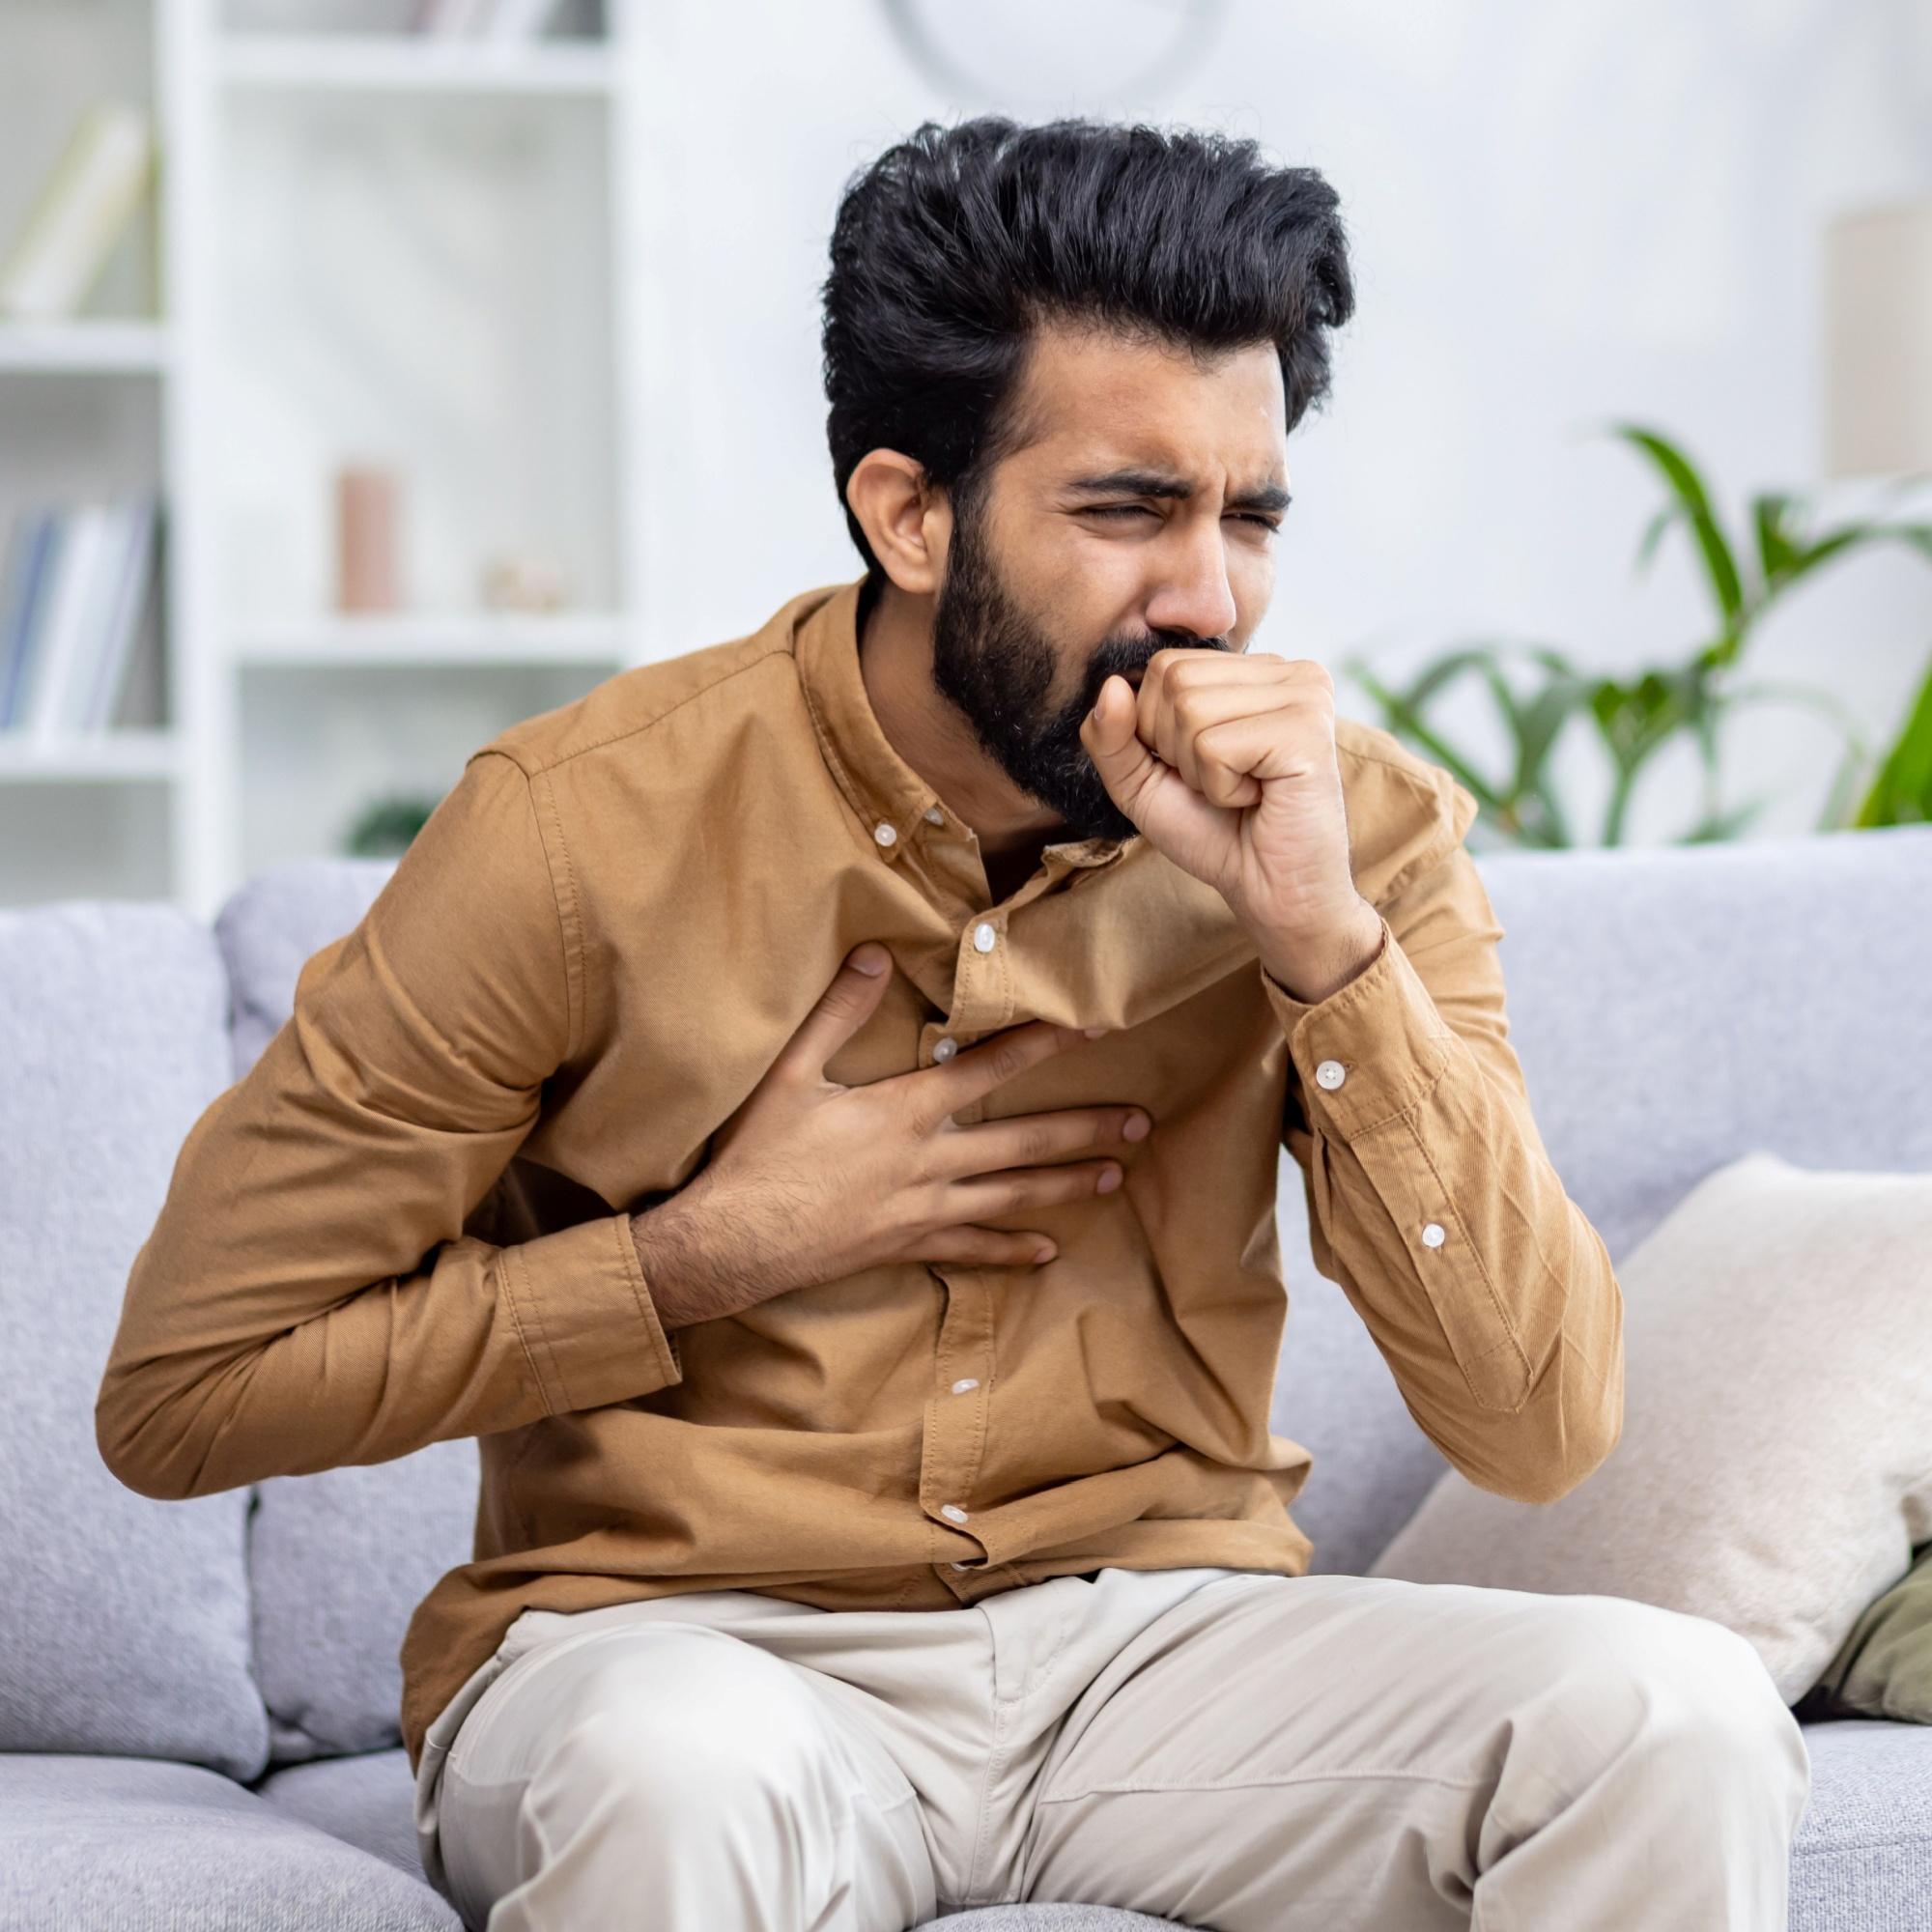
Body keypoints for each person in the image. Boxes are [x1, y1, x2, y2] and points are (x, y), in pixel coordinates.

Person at [96, 114, 1810, 1931]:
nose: (1206, 600)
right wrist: (696, 1256)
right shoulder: (576, 830)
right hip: (680, 1656)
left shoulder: (1353, 834)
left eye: (1251, 516)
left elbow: (1542, 1427)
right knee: (683, 1786)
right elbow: (184, 1398)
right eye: (1127, 509)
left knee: (1666, 1719)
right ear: (909, 512)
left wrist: (1321, 946)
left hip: (1164, 1657)